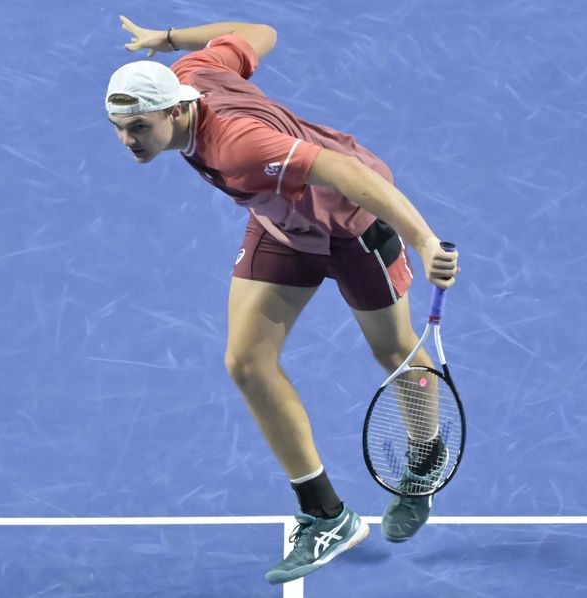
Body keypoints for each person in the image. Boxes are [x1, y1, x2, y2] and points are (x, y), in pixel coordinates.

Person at [106, 17, 460, 584]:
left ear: (175, 112)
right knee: (246, 363)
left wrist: (421, 240)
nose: (128, 142)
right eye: (119, 128)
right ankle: (327, 515)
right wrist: (168, 40)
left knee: (394, 351)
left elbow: (343, 172)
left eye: (138, 128)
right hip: (281, 225)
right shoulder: (194, 71)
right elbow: (260, 30)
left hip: (351, 228)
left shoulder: (240, 146)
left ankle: (423, 459)